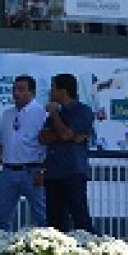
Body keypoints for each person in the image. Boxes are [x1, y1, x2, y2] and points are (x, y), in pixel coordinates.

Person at [0, 75, 48, 232]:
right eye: (14, 89)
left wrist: (43, 171)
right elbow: (1, 143)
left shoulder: (41, 114)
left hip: (32, 171)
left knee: (42, 215)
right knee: (2, 217)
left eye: (21, 89)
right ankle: (2, 251)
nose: (16, 93)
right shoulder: (7, 114)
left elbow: (49, 145)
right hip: (7, 171)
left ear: (32, 92)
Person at [38, 73, 95, 234]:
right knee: (55, 220)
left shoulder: (82, 111)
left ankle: (89, 248)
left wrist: (56, 116)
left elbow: (65, 134)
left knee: (80, 217)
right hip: (53, 173)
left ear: (62, 91)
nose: (50, 92)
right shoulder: (54, 114)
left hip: (73, 172)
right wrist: (67, 135)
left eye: (53, 88)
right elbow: (43, 137)